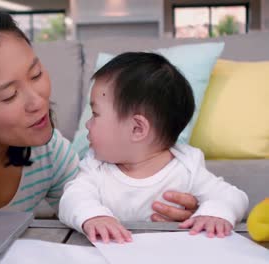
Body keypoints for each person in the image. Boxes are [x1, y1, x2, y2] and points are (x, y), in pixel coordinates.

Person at [0, 10, 200, 220]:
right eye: (9, 95)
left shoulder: (50, 154)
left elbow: (92, 208)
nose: (37, 101)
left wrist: (164, 212)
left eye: (36, 74)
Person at [59, 52, 249, 243]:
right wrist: (93, 216)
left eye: (95, 114)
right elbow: (72, 198)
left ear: (137, 128)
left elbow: (233, 196)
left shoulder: (187, 167)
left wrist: (214, 213)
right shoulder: (95, 167)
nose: (87, 124)